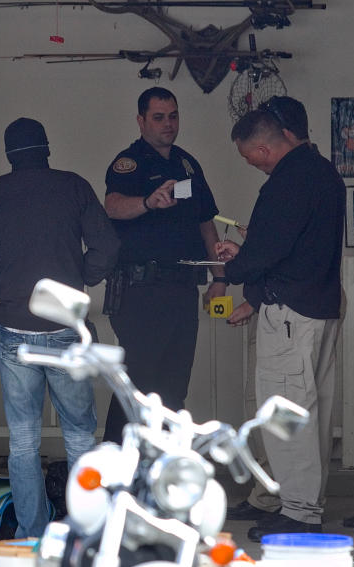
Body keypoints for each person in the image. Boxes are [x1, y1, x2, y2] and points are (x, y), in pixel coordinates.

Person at [0, 117, 120, 537]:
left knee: (23, 442)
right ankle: (88, 530)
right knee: (81, 436)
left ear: (8, 154)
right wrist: (83, 276)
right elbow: (107, 245)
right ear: (46, 148)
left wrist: (7, 290)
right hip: (66, 328)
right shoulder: (73, 187)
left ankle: (32, 533)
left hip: (16, 330)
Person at [215, 96, 344, 542]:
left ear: (266, 148)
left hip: (292, 312)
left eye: (254, 160)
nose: (257, 167)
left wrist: (231, 269)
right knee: (312, 409)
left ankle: (301, 512)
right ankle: (296, 501)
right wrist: (252, 269)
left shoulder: (289, 180)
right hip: (318, 304)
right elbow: (290, 246)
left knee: (287, 410)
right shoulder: (324, 173)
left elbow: (268, 250)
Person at [101, 87, 226, 444]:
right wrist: (147, 202)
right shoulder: (130, 163)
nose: (168, 124)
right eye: (158, 117)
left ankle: (166, 471)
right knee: (137, 383)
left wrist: (220, 276)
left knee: (174, 386)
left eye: (173, 116)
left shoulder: (187, 164)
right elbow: (112, 206)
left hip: (183, 288)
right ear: (141, 121)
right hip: (142, 292)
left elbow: (205, 222)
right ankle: (116, 470)